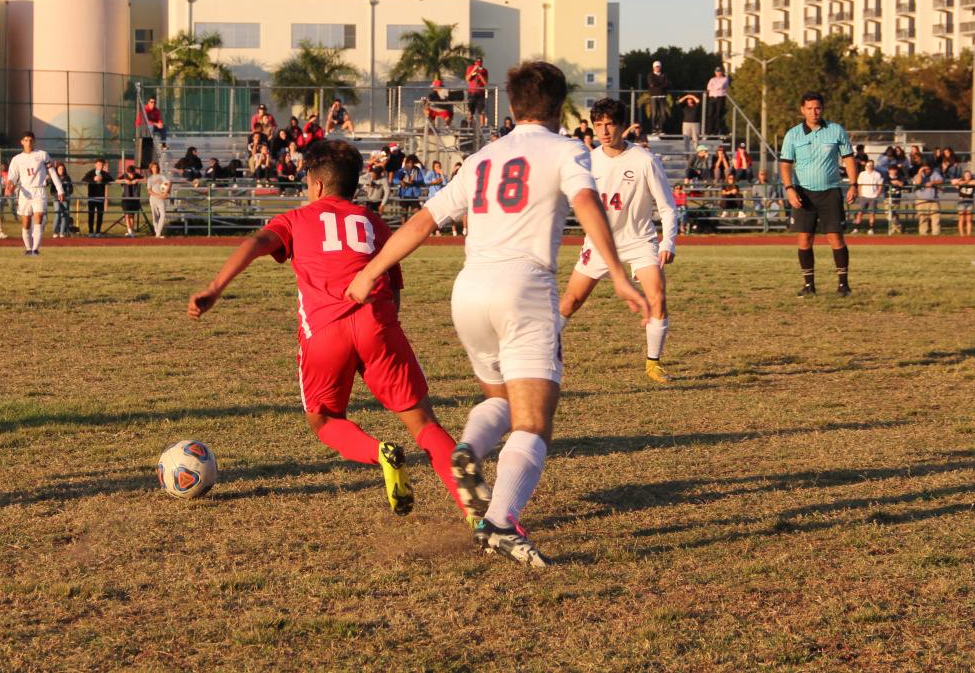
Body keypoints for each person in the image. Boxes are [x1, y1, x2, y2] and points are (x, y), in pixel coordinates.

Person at [347, 61, 649, 568]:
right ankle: (501, 523)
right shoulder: (567, 149)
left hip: (468, 291)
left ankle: (469, 448)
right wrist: (617, 274)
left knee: (502, 400)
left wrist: (371, 271)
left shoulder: (483, 156)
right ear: (559, 106)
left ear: (510, 106)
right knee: (534, 420)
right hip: (524, 289)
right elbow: (588, 204)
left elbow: (424, 220)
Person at [188, 139, 470, 522]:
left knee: (324, 420)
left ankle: (379, 452)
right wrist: (383, 334)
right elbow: (394, 286)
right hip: (377, 325)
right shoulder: (373, 222)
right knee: (424, 424)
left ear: (316, 185)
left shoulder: (295, 219)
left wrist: (215, 287)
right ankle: (477, 512)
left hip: (324, 332)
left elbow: (256, 243)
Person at [559, 97, 678, 383]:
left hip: (639, 241)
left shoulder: (644, 160)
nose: (604, 131)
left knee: (657, 296)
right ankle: (538, 355)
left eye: (610, 124)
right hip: (598, 243)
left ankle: (653, 363)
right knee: (571, 301)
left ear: (622, 126)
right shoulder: (588, 161)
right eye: (598, 125)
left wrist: (667, 242)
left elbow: (667, 206)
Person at [779, 92, 858, 297]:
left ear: (823, 108)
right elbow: (785, 165)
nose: (814, 112)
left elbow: (848, 159)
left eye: (818, 108)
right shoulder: (793, 135)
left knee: (835, 238)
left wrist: (853, 184)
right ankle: (808, 286)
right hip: (803, 193)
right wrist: (789, 189)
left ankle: (843, 285)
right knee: (804, 239)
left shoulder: (835, 130)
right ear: (802, 110)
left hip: (830, 191)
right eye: (809, 108)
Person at [4, 131, 64, 256]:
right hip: (25, 191)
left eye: (30, 140)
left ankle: (35, 250)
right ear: (22, 142)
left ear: (34, 141)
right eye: (26, 140)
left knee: (39, 217)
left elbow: (52, 172)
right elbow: (12, 177)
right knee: (26, 222)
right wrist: (9, 186)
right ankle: (28, 248)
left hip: (39, 190)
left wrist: (60, 189)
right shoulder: (17, 159)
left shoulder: (42, 155)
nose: (28, 142)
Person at [81, 158, 112, 237]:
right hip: (92, 197)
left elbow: (111, 179)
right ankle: (91, 231)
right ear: (95, 165)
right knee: (91, 215)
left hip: (100, 198)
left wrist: (103, 179)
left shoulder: (104, 173)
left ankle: (98, 231)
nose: (100, 166)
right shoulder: (91, 173)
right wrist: (93, 179)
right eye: (99, 164)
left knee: (100, 215)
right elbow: (84, 179)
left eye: (102, 165)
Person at [912, 164, 943, 236]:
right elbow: (918, 182)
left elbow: (941, 180)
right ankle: (923, 234)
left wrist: (933, 182)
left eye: (928, 169)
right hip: (921, 200)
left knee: (936, 217)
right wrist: (920, 172)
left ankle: (936, 234)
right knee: (923, 218)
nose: (927, 171)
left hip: (933, 200)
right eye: (924, 169)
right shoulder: (917, 176)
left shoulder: (935, 174)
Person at [855, 159, 883, 234]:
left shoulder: (877, 174)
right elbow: (859, 185)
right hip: (864, 196)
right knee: (860, 213)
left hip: (873, 197)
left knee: (872, 213)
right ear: (866, 166)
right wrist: (860, 194)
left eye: (871, 165)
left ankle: (871, 228)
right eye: (868, 165)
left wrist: (878, 194)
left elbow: (880, 185)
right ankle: (856, 228)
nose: (870, 166)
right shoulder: (862, 174)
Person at [115, 160, 142, 237]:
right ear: (127, 172)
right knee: (126, 214)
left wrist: (138, 180)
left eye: (132, 173)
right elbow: (116, 181)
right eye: (129, 173)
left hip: (135, 198)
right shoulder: (124, 176)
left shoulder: (137, 175)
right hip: (126, 198)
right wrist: (124, 180)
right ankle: (129, 230)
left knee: (132, 215)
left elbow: (145, 180)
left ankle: (132, 231)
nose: (131, 175)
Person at [644, 60, 671, 136]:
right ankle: (654, 129)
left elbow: (667, 84)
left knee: (663, 114)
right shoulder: (650, 75)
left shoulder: (664, 75)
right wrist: (661, 85)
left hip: (662, 96)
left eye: (658, 67)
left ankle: (661, 129)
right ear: (653, 67)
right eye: (656, 67)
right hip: (654, 96)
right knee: (654, 113)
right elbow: (652, 83)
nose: (657, 68)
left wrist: (659, 85)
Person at [145, 161, 171, 238]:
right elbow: (149, 190)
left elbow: (169, 183)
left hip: (161, 199)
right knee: (155, 216)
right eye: (153, 167)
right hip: (153, 199)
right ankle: (157, 233)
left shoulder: (161, 177)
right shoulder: (150, 178)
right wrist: (158, 195)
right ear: (151, 169)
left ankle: (158, 233)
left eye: (156, 167)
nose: (155, 169)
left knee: (163, 215)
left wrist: (165, 193)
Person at [951, 168, 975, 237]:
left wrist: (965, 182)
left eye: (969, 175)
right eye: (966, 175)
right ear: (964, 176)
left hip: (970, 202)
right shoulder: (960, 183)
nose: (968, 176)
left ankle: (969, 235)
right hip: (961, 202)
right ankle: (962, 235)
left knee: (969, 220)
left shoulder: (972, 182)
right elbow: (953, 182)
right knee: (961, 219)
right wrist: (960, 180)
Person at [51, 162, 75, 238]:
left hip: (65, 199)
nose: (61, 170)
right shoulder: (54, 178)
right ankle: (55, 232)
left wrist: (66, 194)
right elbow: (52, 190)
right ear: (57, 170)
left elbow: (71, 189)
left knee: (65, 215)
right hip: (56, 198)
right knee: (57, 213)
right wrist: (57, 195)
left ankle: (62, 233)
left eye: (62, 169)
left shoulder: (67, 178)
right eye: (59, 169)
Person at [704, 66, 729, 136]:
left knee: (718, 114)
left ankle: (716, 130)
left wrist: (714, 87)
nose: (718, 73)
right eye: (716, 72)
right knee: (710, 114)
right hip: (712, 97)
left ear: (722, 72)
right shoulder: (712, 79)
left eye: (719, 71)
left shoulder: (725, 79)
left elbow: (720, 86)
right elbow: (708, 87)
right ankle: (709, 131)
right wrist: (715, 87)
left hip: (720, 97)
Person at [465, 57, 489, 127]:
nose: (479, 64)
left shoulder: (484, 71)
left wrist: (480, 75)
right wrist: (473, 71)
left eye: (480, 63)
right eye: (477, 63)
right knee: (470, 112)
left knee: (481, 112)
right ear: (475, 63)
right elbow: (467, 79)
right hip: (471, 93)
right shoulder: (470, 68)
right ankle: (470, 126)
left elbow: (485, 83)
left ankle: (482, 127)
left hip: (480, 94)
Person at [884, 165, 908, 235]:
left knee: (895, 214)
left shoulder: (900, 177)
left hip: (897, 199)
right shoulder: (886, 177)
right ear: (889, 171)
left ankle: (894, 229)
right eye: (891, 170)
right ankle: (899, 227)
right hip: (888, 199)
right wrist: (896, 183)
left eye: (894, 170)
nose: (893, 171)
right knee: (888, 214)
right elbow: (886, 183)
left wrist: (901, 183)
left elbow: (905, 182)